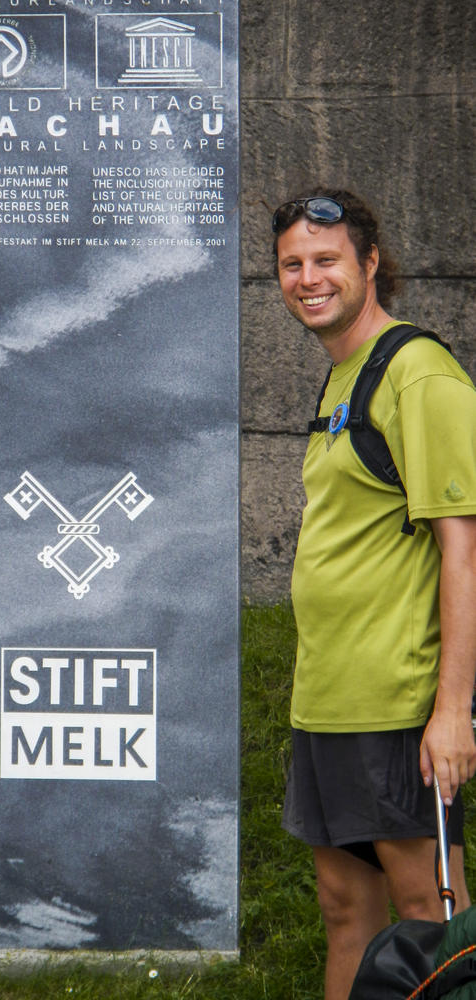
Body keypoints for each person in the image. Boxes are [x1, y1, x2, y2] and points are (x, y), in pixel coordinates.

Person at [271, 187, 476, 999]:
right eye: (291, 263)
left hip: (395, 702)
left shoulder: (417, 373)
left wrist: (451, 708)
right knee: (342, 909)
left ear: (369, 264)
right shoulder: (343, 376)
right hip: (325, 699)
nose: (307, 278)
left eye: (325, 260)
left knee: (430, 917)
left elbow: (461, 549)